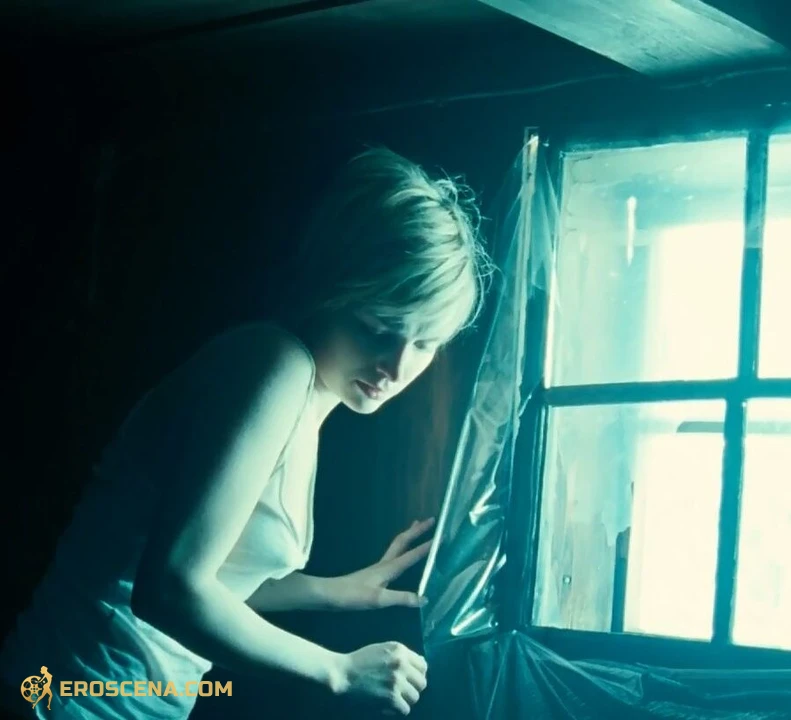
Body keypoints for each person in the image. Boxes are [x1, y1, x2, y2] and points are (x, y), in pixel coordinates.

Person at [0, 146, 492, 719]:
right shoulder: (273, 365)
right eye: (378, 327)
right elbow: (169, 588)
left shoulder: (309, 398)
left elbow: (218, 578)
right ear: (331, 289)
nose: (397, 366)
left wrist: (335, 592)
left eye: (425, 343)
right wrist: (338, 670)